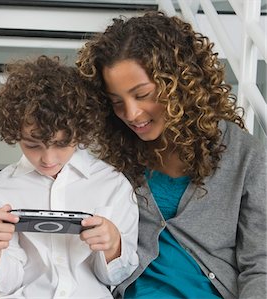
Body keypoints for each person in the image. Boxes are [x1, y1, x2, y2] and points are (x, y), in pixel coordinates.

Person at [76, 10, 267, 299]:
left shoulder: (246, 157)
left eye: (142, 95)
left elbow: (260, 265)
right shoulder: (111, 158)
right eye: (117, 102)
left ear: (179, 84)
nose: (131, 114)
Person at [0, 55, 139, 298]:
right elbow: (3, 287)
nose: (48, 159)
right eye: (32, 145)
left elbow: (115, 278)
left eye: (62, 144)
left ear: (80, 131)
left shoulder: (112, 185)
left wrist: (113, 245)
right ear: (15, 133)